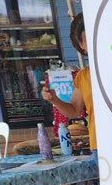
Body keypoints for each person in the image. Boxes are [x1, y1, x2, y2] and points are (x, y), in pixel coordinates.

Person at [41, 13, 97, 155]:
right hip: (100, 145)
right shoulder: (84, 76)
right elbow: (74, 110)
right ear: (82, 46)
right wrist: (55, 99)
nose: (96, 41)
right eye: (88, 39)